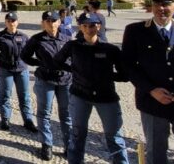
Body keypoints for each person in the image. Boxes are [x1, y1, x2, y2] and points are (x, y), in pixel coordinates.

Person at [55, 12, 129, 164]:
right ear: (80, 27)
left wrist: (106, 76)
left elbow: (125, 74)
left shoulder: (110, 49)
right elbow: (57, 61)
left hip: (106, 97)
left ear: (99, 26)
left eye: (93, 25)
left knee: (114, 136)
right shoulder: (73, 46)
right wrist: (74, 71)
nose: (89, 29)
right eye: (85, 25)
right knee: (77, 134)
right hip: (80, 95)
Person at [122, 0, 174, 164]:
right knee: (156, 153)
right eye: (157, 4)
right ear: (151, 7)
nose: (161, 8)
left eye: (166, 4)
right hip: (152, 102)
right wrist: (151, 90)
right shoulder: (135, 31)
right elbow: (128, 66)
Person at [21, 11, 72, 161]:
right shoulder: (36, 39)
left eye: (54, 20)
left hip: (65, 80)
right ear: (43, 23)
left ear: (59, 22)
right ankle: (46, 144)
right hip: (46, 80)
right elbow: (25, 56)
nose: (51, 23)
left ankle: (68, 146)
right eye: (48, 21)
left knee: (67, 114)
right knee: (44, 113)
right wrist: (40, 64)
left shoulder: (67, 39)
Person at [0, 12, 37, 132]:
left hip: (21, 70)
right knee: (5, 95)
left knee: (25, 96)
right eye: (9, 21)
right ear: (5, 22)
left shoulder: (24, 36)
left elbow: (29, 51)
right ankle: (5, 119)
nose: (11, 23)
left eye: (13, 20)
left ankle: (28, 120)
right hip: (5, 70)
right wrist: (3, 58)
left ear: (17, 22)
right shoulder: (0, 36)